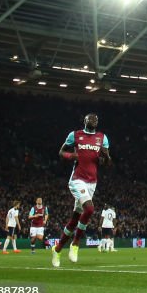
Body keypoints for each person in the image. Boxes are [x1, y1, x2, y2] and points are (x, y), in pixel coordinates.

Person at [52, 113, 111, 268]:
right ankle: (76, 244)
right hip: (77, 179)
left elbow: (107, 161)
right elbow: (61, 152)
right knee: (90, 209)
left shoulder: (102, 138)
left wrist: (105, 158)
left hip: (92, 182)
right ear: (85, 121)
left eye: (95, 120)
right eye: (90, 120)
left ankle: (57, 249)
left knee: (74, 219)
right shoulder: (75, 135)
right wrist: (71, 155)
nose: (93, 122)